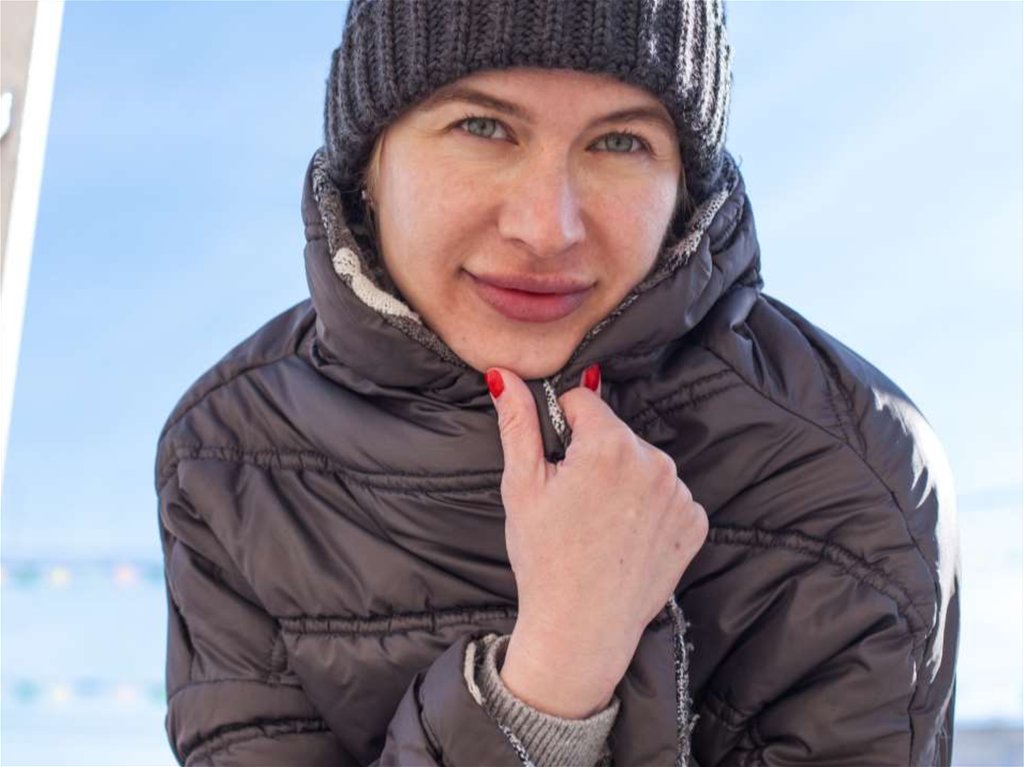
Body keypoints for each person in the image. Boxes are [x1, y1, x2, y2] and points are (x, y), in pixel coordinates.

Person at [154, 1, 960, 764]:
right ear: (370, 160)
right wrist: (550, 682)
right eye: (483, 127)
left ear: (684, 185)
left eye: (620, 142)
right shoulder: (231, 462)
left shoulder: (851, 481)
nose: (547, 227)